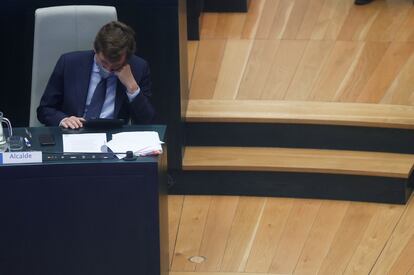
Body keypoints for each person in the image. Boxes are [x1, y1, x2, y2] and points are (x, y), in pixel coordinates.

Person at [37, 21, 155, 129]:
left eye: (116, 66)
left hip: (114, 140)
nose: (109, 69)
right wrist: (63, 119)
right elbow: (45, 109)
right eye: (104, 63)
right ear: (95, 48)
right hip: (74, 135)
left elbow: (147, 121)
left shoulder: (139, 68)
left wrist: (132, 88)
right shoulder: (69, 63)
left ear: (127, 59)